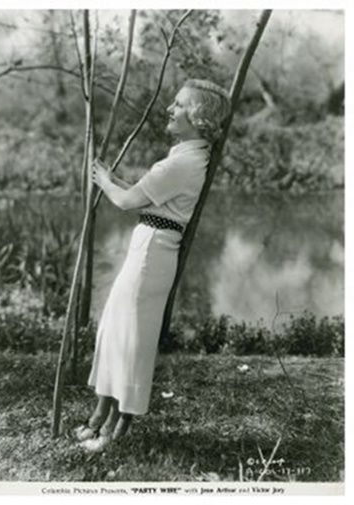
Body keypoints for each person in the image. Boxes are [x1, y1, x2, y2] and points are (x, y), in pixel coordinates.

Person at [74, 79, 231, 452]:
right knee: (116, 330)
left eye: (179, 104)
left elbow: (127, 201)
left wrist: (104, 181)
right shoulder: (186, 156)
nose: (169, 109)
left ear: (198, 116)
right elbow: (147, 198)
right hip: (149, 248)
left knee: (132, 339)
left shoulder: (184, 162)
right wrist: (115, 181)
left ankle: (114, 431)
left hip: (152, 254)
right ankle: (99, 418)